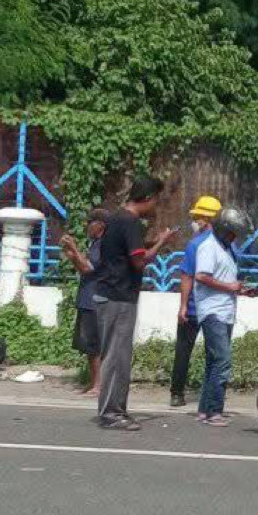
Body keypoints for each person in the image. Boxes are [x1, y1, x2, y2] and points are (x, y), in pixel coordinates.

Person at [94, 176, 174, 431]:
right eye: (156, 200)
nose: (156, 206)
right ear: (148, 198)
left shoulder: (119, 219)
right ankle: (110, 413)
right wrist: (161, 242)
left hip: (115, 295)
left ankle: (118, 408)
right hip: (118, 297)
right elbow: (138, 261)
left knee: (119, 355)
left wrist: (153, 241)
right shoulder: (130, 222)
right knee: (116, 357)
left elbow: (129, 251)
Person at [193, 207, 252, 426]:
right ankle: (214, 412)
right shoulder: (209, 247)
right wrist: (230, 286)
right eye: (232, 233)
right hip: (213, 311)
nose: (234, 237)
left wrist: (240, 289)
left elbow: (224, 280)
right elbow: (201, 276)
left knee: (213, 362)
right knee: (223, 361)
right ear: (222, 229)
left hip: (225, 311)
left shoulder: (226, 249)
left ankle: (204, 409)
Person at [170, 195, 223, 407]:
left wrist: (183, 306)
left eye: (197, 218)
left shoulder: (195, 244)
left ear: (204, 219)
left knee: (183, 350)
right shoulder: (227, 245)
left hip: (193, 306)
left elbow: (186, 276)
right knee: (216, 354)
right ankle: (211, 396)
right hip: (216, 308)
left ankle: (177, 393)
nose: (195, 222)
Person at [59, 208, 109, 395]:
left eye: (90, 223)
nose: (88, 226)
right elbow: (83, 267)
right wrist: (72, 255)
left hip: (95, 300)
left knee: (94, 345)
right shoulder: (95, 243)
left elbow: (88, 269)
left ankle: (99, 385)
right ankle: (94, 382)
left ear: (100, 225)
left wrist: (73, 247)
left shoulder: (104, 245)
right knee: (89, 346)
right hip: (87, 298)